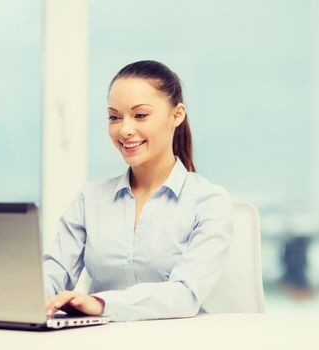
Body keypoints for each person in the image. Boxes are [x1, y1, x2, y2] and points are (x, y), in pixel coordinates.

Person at [43, 60, 233, 322]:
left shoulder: (209, 202)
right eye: (114, 117)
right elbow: (55, 270)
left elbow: (185, 295)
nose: (124, 130)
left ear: (177, 115)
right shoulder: (90, 199)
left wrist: (101, 303)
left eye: (140, 115)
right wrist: (29, 299)